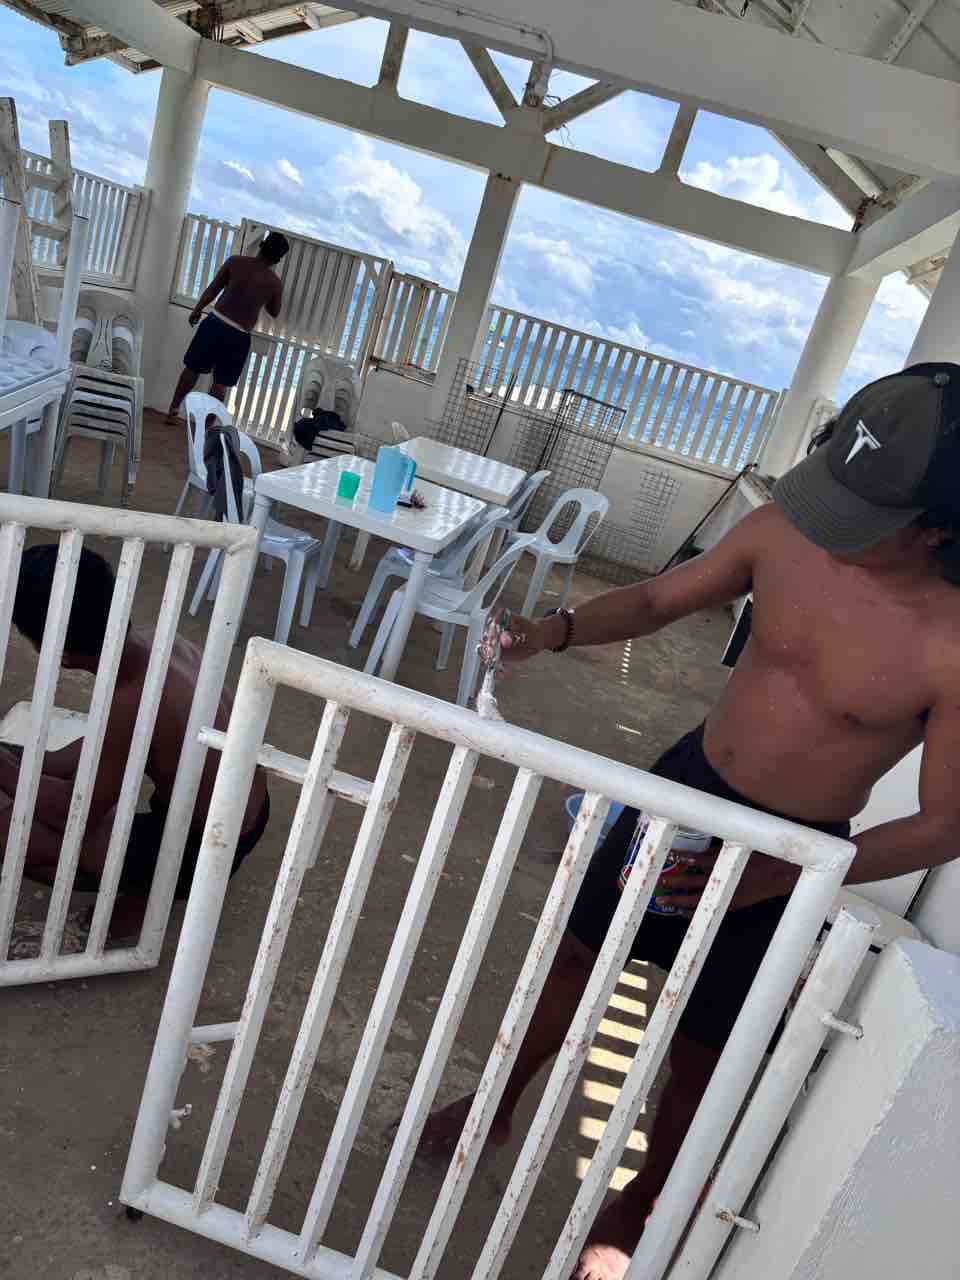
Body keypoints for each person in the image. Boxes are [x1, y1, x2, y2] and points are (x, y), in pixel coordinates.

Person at [419, 362, 960, 1280]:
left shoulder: (950, 643)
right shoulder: (783, 532)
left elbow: (945, 823)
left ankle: (646, 1193)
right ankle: (497, 1100)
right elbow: (657, 600)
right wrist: (555, 629)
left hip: (795, 855)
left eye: (864, 519)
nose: (832, 530)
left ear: (939, 527)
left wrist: (785, 875)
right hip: (686, 795)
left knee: (706, 1042)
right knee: (580, 953)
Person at [0, 545, 270, 938]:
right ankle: (147, 887)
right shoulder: (157, 641)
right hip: (247, 811)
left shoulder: (132, 698)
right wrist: (13, 761)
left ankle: (143, 897)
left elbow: (72, 816)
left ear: (55, 651)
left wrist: (5, 771)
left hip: (206, 846)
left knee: (9, 829)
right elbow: (89, 751)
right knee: (39, 779)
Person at [166, 230, 290, 424]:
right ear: (278, 259)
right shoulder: (274, 283)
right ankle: (206, 428)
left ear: (261, 246)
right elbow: (274, 312)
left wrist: (197, 310)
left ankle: (173, 409)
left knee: (192, 369)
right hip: (239, 335)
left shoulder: (235, 262)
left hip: (215, 323)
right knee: (220, 384)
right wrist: (263, 295)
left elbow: (213, 289)